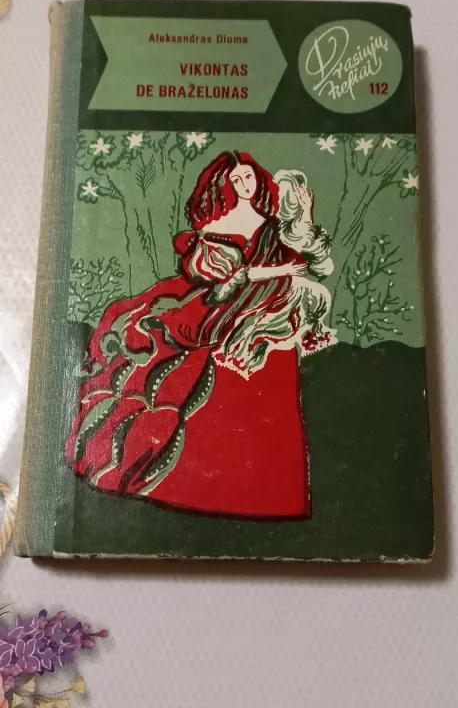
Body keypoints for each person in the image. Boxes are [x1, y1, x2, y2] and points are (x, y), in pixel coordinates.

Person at [66, 151, 336, 518]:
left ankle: (272, 493)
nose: (244, 184)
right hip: (220, 300)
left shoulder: (271, 224)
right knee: (182, 352)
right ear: (225, 184)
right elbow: (227, 277)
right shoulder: (217, 225)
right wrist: (276, 271)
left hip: (266, 305)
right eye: (237, 179)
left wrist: (304, 217)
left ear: (258, 178)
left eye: (249, 177)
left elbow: (312, 263)